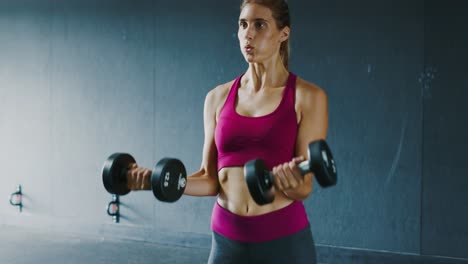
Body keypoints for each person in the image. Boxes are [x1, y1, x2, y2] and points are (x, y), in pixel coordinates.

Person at [127, 0, 328, 263]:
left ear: (283, 33)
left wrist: (291, 180)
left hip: (283, 241)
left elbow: (305, 186)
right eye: (243, 24)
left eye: (260, 25)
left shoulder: (307, 97)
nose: (248, 34)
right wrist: (157, 180)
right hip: (227, 241)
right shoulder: (217, 98)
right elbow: (210, 179)